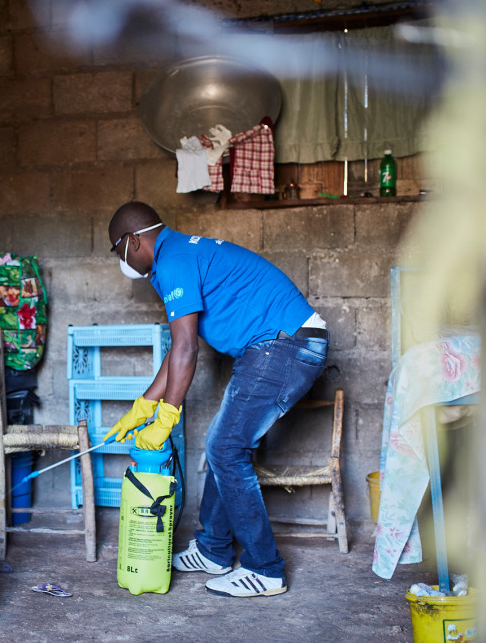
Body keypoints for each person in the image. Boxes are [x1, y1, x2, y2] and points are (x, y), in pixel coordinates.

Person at [102, 201, 328, 597]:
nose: (120, 260)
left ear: (134, 241)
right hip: (273, 347)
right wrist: (144, 406)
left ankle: (266, 569)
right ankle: (213, 550)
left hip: (286, 344)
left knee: (225, 448)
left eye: (117, 249)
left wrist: (166, 417)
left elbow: (188, 349)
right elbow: (178, 349)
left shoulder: (172, 259)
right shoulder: (174, 258)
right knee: (225, 445)